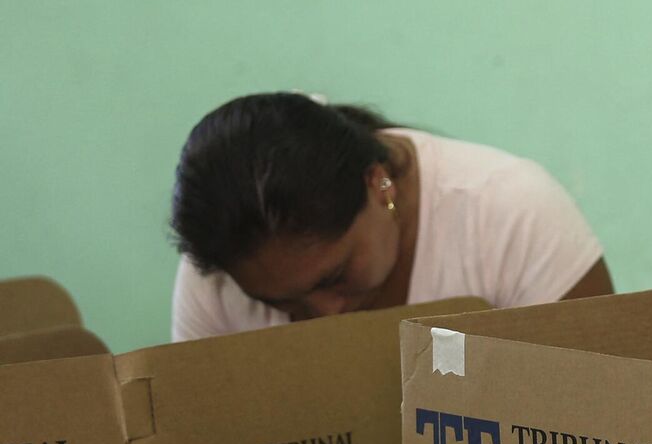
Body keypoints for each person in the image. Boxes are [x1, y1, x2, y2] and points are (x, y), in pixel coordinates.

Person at [168, 93, 612, 342]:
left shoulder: (511, 214)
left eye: (335, 276)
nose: (327, 315)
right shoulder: (219, 267)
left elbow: (605, 411)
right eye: (282, 304)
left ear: (378, 185)